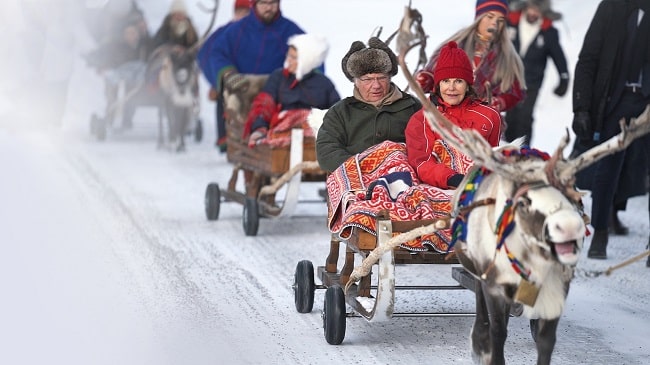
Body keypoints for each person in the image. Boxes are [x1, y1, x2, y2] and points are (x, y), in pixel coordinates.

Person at [572, 0, 650, 259]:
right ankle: (601, 233)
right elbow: (588, 58)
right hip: (615, 100)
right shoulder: (612, 7)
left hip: (647, 101)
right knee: (607, 167)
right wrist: (581, 107)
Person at [207, 0, 306, 152]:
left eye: (273, 3)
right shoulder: (237, 30)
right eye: (264, 3)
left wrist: (303, 77)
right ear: (254, 4)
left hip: (278, 93)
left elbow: (310, 54)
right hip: (244, 91)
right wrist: (228, 73)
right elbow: (217, 53)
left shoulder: (290, 30)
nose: (269, 8)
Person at [316, 37, 422, 172]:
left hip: (403, 174)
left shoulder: (412, 107)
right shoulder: (340, 112)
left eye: (382, 78)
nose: (376, 85)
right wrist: (363, 168)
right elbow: (327, 151)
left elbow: (424, 145)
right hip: (356, 178)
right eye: (367, 79)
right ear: (355, 81)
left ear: (390, 77)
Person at [406, 41, 502, 189]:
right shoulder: (422, 119)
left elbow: (493, 156)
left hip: (480, 186)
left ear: (467, 84)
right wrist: (452, 178)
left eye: (458, 81)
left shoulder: (490, 115)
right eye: (445, 81)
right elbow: (421, 162)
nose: (451, 88)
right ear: (438, 85)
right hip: (440, 187)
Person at [415, 0, 526, 116]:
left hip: (481, 122)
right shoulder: (454, 45)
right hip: (443, 116)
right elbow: (433, 74)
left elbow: (515, 92)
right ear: (479, 17)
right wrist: (425, 80)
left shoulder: (507, 57)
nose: (495, 23)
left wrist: (499, 102)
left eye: (501, 20)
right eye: (490, 17)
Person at [244, 34, 340, 147]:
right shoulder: (278, 78)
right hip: (282, 133)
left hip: (314, 137)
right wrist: (259, 128)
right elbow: (265, 105)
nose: (288, 60)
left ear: (307, 61)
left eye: (294, 58)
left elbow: (337, 113)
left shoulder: (324, 84)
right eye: (288, 55)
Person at [504, 0, 569, 144]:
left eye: (537, 10)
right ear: (525, 6)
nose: (533, 13)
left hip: (532, 83)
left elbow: (559, 56)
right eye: (531, 8)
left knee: (525, 117)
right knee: (510, 116)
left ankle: (523, 151)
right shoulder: (511, 22)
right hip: (509, 78)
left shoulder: (548, 32)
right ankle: (505, 149)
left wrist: (564, 78)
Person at [197, 0, 251, 150]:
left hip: (252, 80)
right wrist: (217, 80)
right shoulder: (224, 32)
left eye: (246, 12)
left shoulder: (255, 34)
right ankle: (225, 140)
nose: (242, 15)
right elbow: (205, 56)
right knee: (225, 100)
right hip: (229, 80)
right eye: (239, 11)